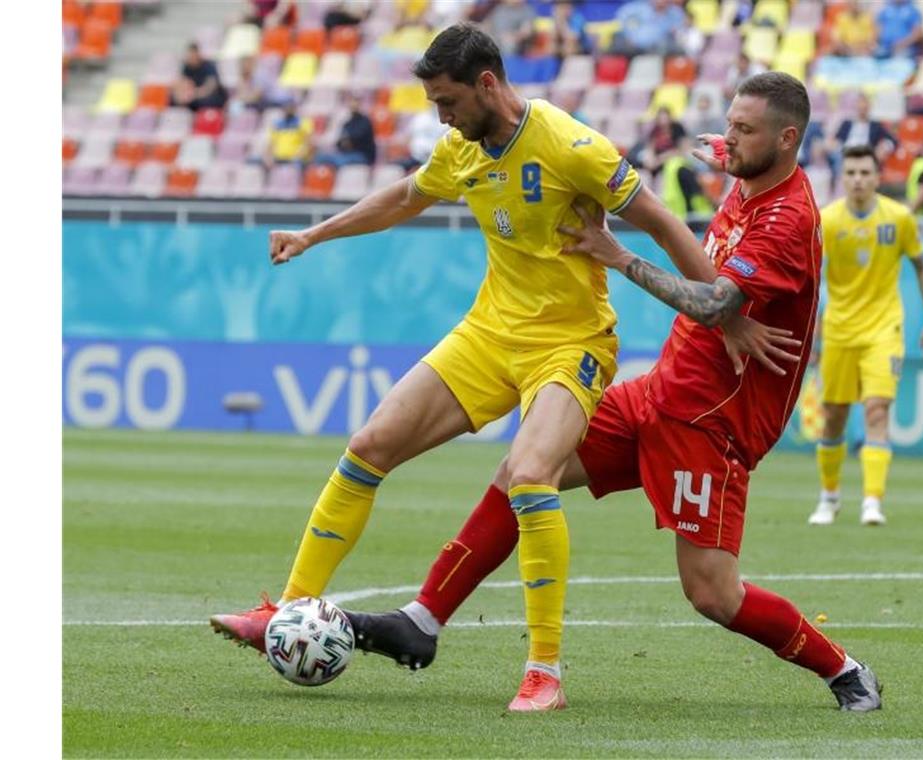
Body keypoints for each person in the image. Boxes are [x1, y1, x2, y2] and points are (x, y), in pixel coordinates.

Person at [209, 23, 791, 712]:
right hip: (489, 335)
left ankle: (545, 672)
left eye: (448, 101)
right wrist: (315, 233)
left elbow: (662, 222)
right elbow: (402, 197)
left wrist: (724, 314)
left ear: (488, 84)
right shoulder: (462, 149)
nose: (441, 118)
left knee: (531, 475)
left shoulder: (573, 147)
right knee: (367, 448)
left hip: (569, 344)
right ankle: (288, 612)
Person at [342, 71, 884, 715]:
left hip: (713, 423)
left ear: (787, 140)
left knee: (712, 593)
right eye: (729, 125)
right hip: (659, 393)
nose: (730, 139)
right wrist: (722, 146)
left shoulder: (789, 220)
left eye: (745, 130)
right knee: (523, 469)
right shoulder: (752, 173)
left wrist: (615, 253)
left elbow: (714, 303)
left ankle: (844, 669)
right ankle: (423, 619)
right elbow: (725, 263)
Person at [808, 144, 923, 527]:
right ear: (842, 178)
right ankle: (829, 498)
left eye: (865, 173)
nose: (858, 180)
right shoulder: (827, 221)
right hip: (839, 328)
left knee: (877, 408)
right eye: (851, 173)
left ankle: (871, 501)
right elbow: (810, 280)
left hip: (884, 328)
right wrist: (813, 330)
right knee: (833, 416)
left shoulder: (899, 218)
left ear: (878, 178)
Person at [826, 92, 896, 178]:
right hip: (845, 154)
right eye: (860, 105)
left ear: (869, 107)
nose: (862, 108)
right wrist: (833, 144)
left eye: (864, 106)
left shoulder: (875, 125)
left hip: (865, 155)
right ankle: (839, 185)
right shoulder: (847, 123)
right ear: (856, 106)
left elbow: (893, 140)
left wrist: (885, 146)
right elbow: (835, 140)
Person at [313, 95, 376, 168]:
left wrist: (348, 141)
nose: (353, 105)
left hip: (361, 155)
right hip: (346, 154)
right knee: (320, 157)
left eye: (355, 103)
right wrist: (343, 143)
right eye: (351, 103)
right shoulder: (347, 123)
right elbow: (340, 141)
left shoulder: (365, 121)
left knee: (340, 161)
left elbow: (358, 138)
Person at [611, 0, 685, 56]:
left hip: (661, 49)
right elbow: (622, 21)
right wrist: (629, 36)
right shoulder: (636, 8)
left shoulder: (675, 13)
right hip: (632, 46)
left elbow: (678, 32)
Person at [171, 43, 227, 112]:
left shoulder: (209, 66)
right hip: (193, 96)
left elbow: (210, 86)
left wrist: (194, 94)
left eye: (193, 54)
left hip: (210, 95)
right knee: (174, 100)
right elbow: (183, 83)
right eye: (190, 55)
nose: (192, 57)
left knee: (205, 102)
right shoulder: (186, 67)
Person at [261, 98, 313, 168]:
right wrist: (268, 158)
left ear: (295, 109)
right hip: (279, 159)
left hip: (296, 159)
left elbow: (308, 143)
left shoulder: (303, 123)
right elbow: (271, 144)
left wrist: (301, 155)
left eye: (290, 107)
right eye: (286, 107)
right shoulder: (277, 125)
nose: (288, 109)